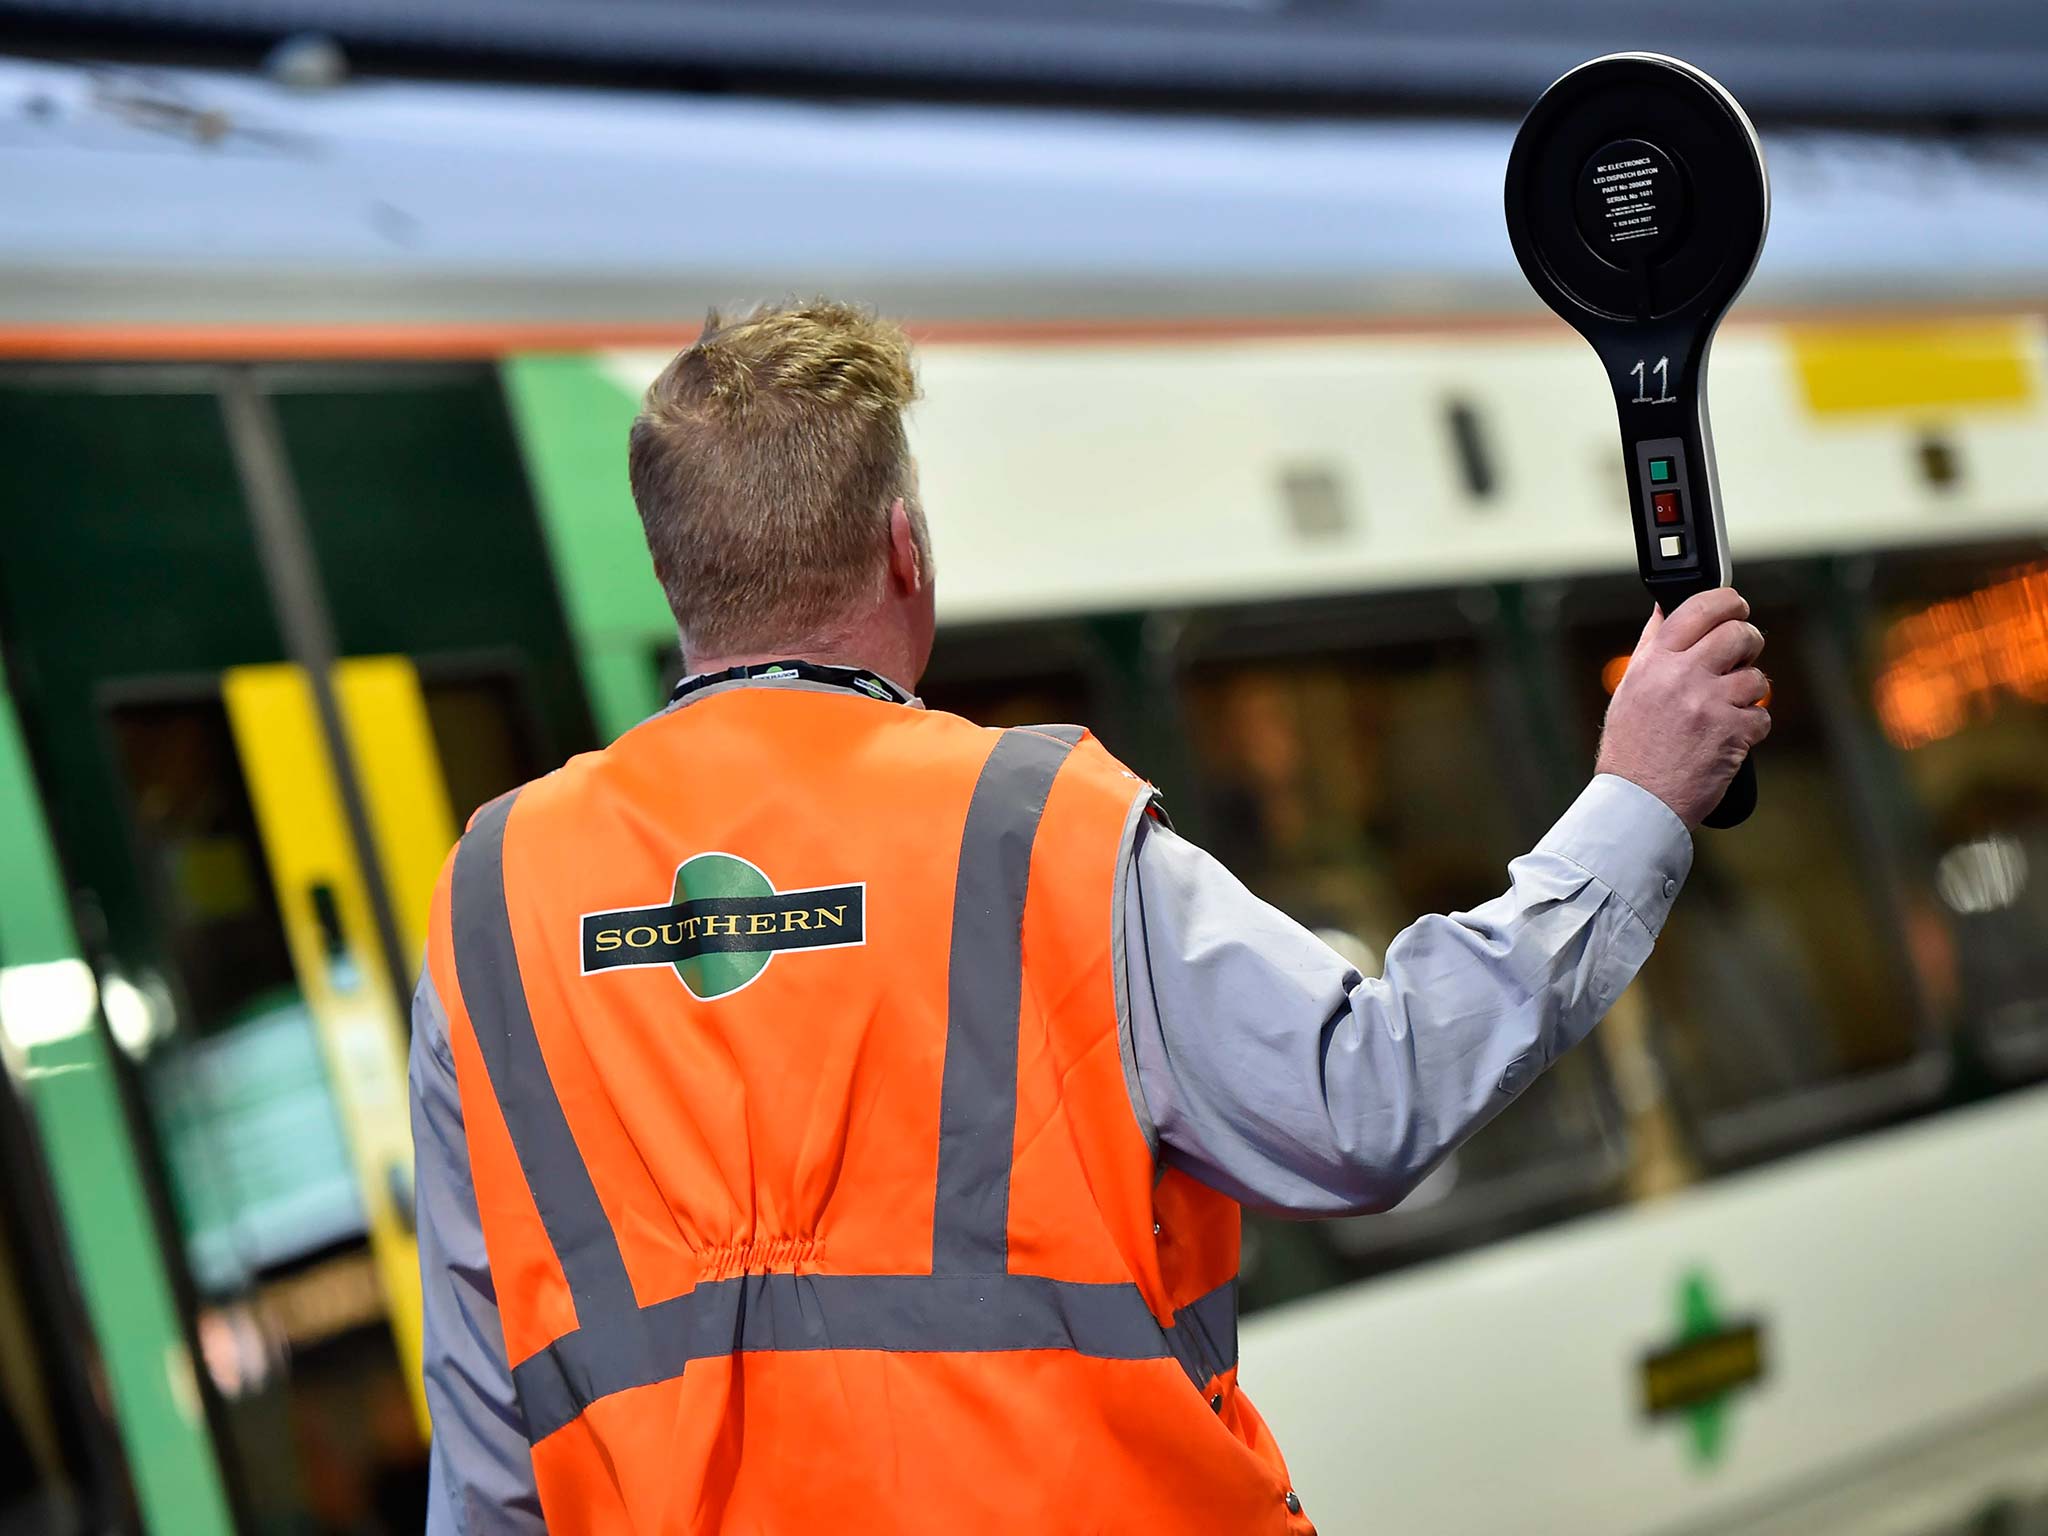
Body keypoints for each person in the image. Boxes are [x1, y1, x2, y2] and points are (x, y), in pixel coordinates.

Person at [409, 300, 1769, 1534]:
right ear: (906, 548)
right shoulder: (1030, 827)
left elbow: (487, 1459)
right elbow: (1366, 1104)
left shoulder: (492, 903)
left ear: (679, 577)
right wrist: (1634, 801)